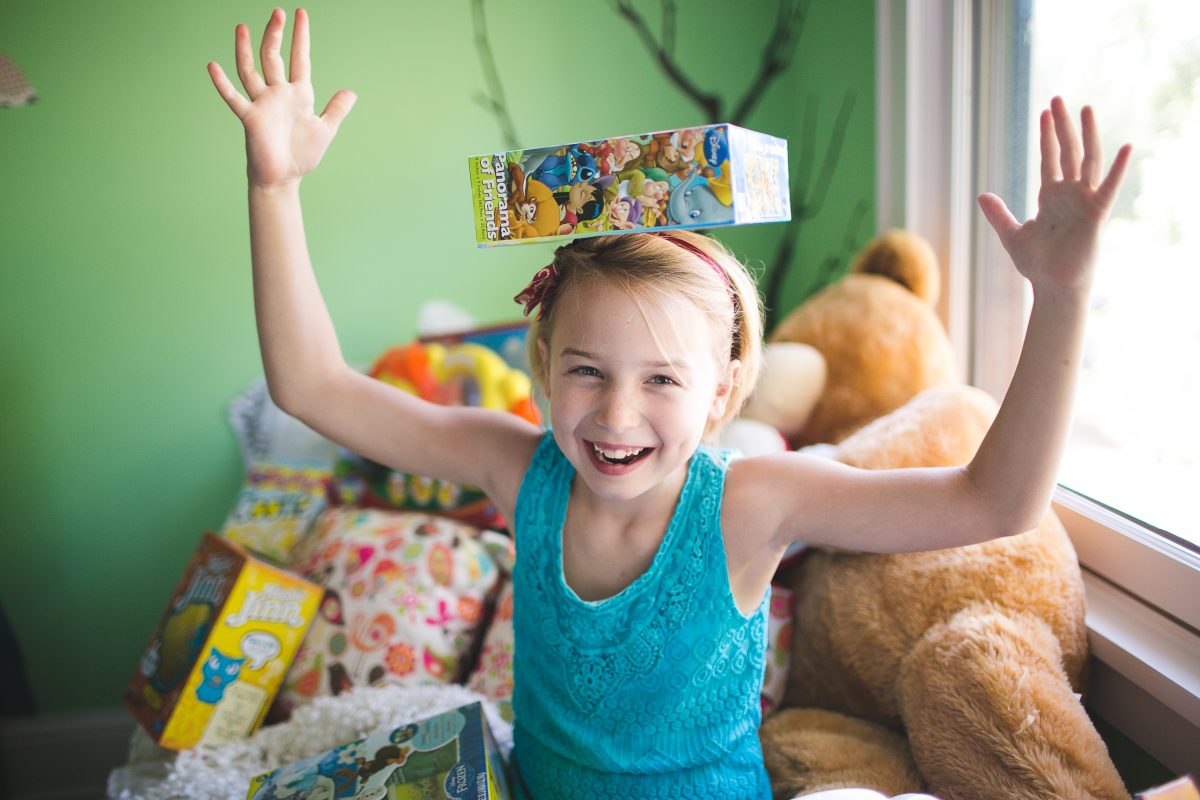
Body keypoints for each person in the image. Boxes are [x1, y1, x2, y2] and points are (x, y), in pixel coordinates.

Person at [207, 9, 1131, 800]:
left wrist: (1062, 297)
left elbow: (993, 503)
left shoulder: (752, 501)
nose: (615, 415)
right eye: (586, 371)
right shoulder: (513, 465)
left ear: (724, 389)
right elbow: (314, 387)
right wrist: (273, 188)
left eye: (660, 380)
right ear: (541, 363)